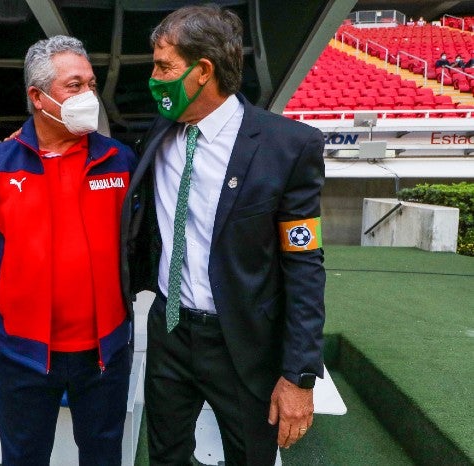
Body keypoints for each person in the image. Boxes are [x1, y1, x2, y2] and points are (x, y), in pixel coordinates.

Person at [0, 35, 137, 466]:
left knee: (104, 456)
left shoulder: (120, 160)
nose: (88, 96)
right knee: (22, 458)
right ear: (38, 97)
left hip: (105, 355)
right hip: (23, 356)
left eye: (91, 85)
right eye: (74, 86)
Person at [124, 4, 326, 465]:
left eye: (163, 66)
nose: (153, 78)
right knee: (166, 456)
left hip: (244, 343)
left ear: (202, 71)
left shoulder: (288, 147)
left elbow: (305, 265)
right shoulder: (158, 132)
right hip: (170, 330)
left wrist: (298, 377)